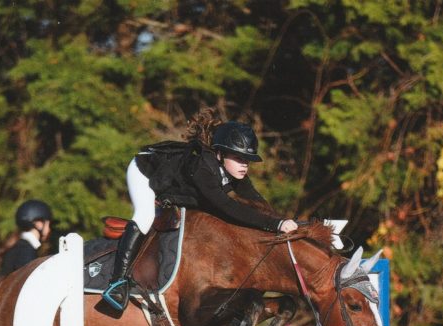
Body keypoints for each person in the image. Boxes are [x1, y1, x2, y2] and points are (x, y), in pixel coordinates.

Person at [103, 111, 299, 311]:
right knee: (145, 216)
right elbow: (228, 207)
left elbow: (256, 202)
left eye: (247, 159)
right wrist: (275, 224)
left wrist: (282, 221)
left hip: (170, 180)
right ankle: (117, 283)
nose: (244, 164)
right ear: (220, 154)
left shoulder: (235, 173)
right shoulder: (202, 170)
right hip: (143, 170)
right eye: (239, 158)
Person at [0, 199, 53, 275]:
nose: (49, 229)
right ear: (39, 224)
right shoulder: (27, 251)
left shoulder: (17, 247)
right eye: (48, 224)